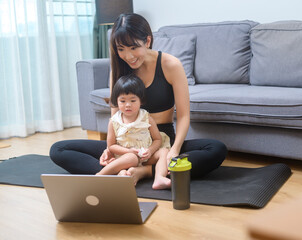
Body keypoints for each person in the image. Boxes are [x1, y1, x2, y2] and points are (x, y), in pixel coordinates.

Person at [49, 13, 227, 186]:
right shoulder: (118, 70)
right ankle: (121, 170)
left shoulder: (170, 65)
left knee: (215, 149)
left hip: (160, 143)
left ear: (147, 41)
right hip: (125, 147)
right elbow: (115, 118)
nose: (128, 56)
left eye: (134, 47)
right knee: (58, 150)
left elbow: (183, 116)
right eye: (121, 49)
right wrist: (109, 149)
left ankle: (144, 172)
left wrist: (174, 150)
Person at [96, 74, 171, 189]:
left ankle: (159, 177)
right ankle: (100, 176)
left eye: (132, 100)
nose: (127, 105)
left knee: (164, 152)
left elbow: (157, 139)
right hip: (125, 157)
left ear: (141, 101)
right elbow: (111, 146)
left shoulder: (146, 118)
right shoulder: (114, 121)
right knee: (131, 158)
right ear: (116, 101)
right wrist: (128, 151)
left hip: (145, 157)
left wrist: (150, 151)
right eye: (122, 101)